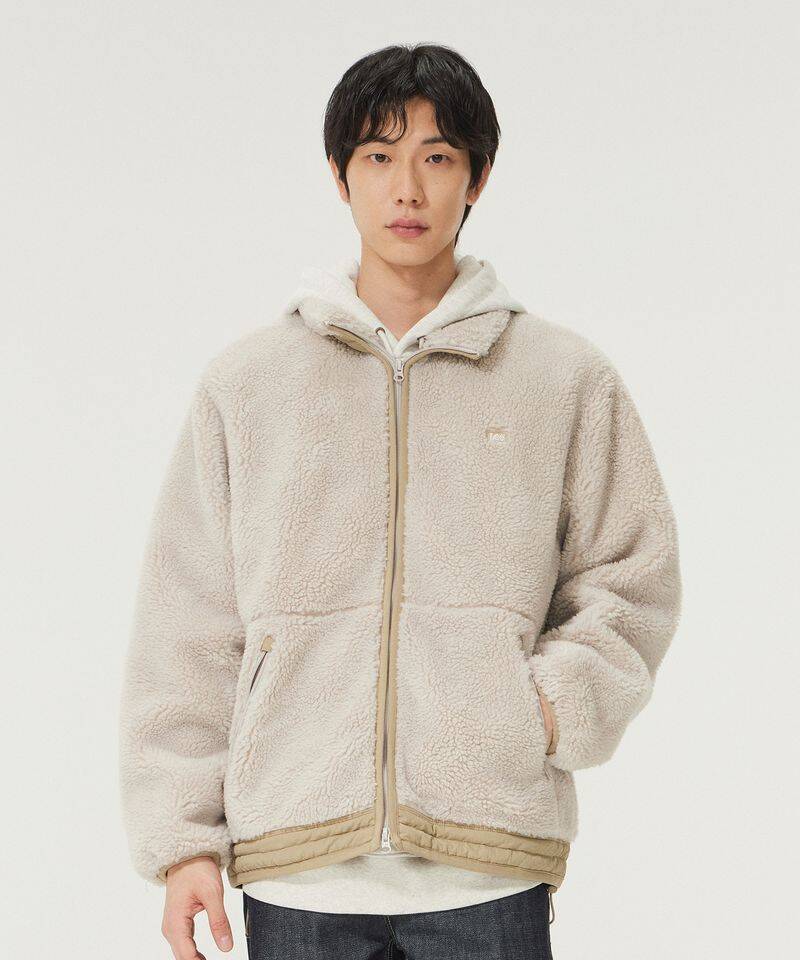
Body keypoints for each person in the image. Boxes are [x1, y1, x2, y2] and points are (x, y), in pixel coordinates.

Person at [118, 42, 682, 960]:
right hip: (297, 871)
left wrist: (540, 710)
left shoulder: (562, 379)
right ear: (340, 176)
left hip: (487, 869)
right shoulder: (250, 385)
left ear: (478, 177)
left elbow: (634, 578)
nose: (408, 188)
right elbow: (188, 619)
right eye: (379, 156)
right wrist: (184, 841)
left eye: (437, 156)